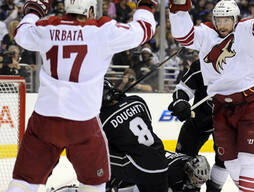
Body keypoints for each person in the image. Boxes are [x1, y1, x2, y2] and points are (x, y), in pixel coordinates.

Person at [7, 0, 157, 190]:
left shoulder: (48, 27)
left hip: (44, 120)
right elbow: (144, 29)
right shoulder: (102, 31)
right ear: (91, 10)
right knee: (93, 184)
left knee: (24, 181)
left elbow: (21, 33)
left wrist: (34, 11)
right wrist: (145, 5)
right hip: (83, 123)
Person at [168, 0, 254, 190]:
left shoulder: (246, 30)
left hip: (249, 104)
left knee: (247, 161)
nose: (222, 25)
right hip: (214, 112)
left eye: (227, 20)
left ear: (235, 20)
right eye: (219, 20)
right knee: (230, 162)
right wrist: (179, 7)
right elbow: (184, 37)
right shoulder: (206, 35)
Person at [99, 80, 210, 192]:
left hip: (141, 165)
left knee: (95, 155)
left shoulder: (102, 119)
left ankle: (103, 185)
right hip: (157, 156)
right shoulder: (137, 101)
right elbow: (148, 122)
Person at [168, 60, 229, 192]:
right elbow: (183, 88)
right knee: (182, 160)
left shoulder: (241, 65)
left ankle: (214, 189)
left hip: (227, 122)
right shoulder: (203, 64)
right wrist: (180, 102)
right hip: (199, 119)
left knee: (225, 159)